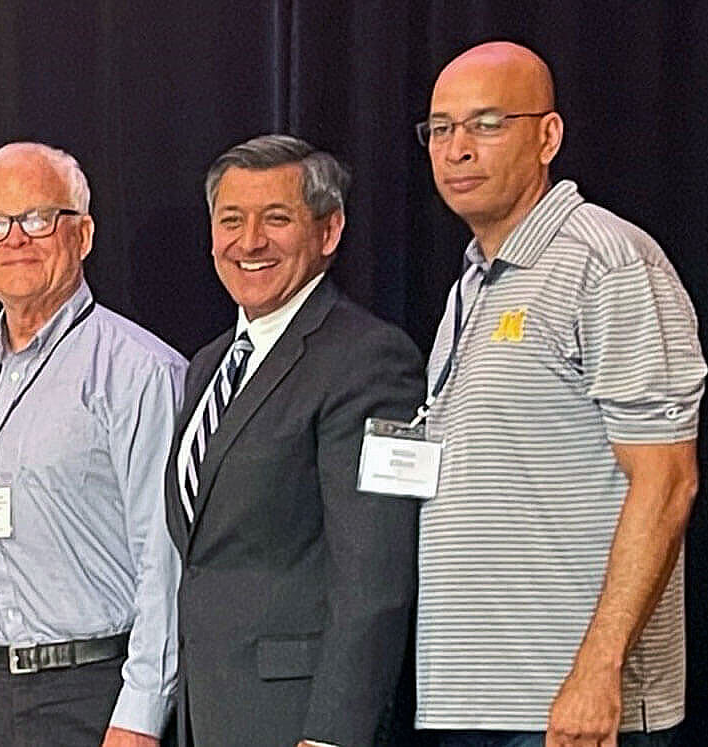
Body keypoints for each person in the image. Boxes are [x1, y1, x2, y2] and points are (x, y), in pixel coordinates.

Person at [414, 41, 705, 746]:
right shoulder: (472, 281)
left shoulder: (608, 262)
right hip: (474, 697)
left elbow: (668, 481)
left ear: (548, 137)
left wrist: (598, 669)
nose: (457, 148)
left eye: (487, 123)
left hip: (572, 709)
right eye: (441, 128)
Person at [0, 142, 185, 746]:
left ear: (83, 234)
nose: (14, 239)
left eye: (39, 218)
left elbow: (165, 559)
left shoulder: (139, 370)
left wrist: (142, 713)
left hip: (90, 695)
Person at [169, 135, 423, 747]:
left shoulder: (368, 359)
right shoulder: (208, 366)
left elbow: (376, 576)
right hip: (211, 714)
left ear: (328, 231)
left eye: (276, 219)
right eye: (232, 220)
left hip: (303, 720)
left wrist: (334, 735)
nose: (249, 241)